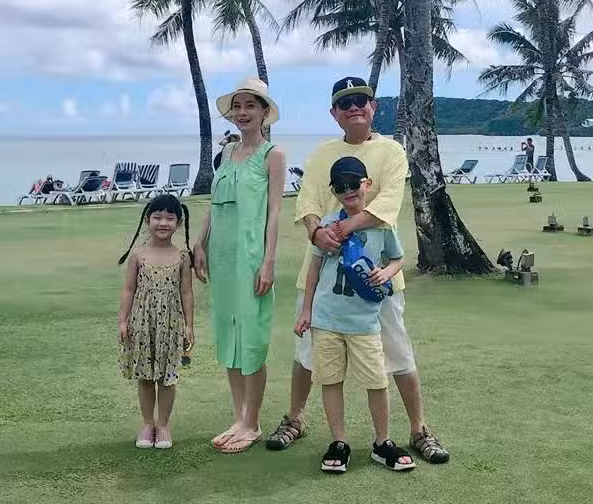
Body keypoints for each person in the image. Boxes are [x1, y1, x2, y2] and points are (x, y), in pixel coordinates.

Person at [265, 76, 451, 465]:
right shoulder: (321, 155)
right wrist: (317, 232)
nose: (354, 107)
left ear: (373, 107)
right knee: (307, 355)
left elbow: (387, 205)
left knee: (398, 354)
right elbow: (308, 203)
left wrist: (340, 228)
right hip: (323, 279)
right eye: (345, 103)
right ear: (334, 113)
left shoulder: (392, 151)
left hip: (378, 279)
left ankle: (418, 429)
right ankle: (295, 419)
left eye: (361, 100)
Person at [295, 156, 415, 473]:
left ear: (367, 184)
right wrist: (305, 311)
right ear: (334, 191)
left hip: (364, 321)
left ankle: (382, 442)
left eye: (353, 184)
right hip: (326, 320)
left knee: (377, 381)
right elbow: (314, 269)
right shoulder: (327, 226)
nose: (348, 191)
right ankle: (338, 442)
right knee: (330, 380)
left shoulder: (381, 225)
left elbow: (398, 259)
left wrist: (386, 273)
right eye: (340, 186)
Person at [192, 77, 286, 454]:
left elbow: (275, 212)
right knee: (228, 336)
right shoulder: (228, 152)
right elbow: (215, 205)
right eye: (238, 106)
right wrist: (200, 243)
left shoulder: (272, 155)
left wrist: (268, 261)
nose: (243, 112)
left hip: (251, 257)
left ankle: (253, 422)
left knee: (252, 338)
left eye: (251, 105)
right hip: (222, 257)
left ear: (264, 112)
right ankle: (239, 416)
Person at [118, 194, 194, 450]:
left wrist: (189, 325)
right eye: (157, 217)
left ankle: (163, 425)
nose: (163, 223)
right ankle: (147, 423)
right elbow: (128, 289)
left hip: (170, 325)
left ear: (178, 223)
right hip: (141, 323)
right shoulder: (138, 254)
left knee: (166, 377)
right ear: (147, 220)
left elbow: (186, 292)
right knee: (144, 375)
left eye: (169, 218)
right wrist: (123, 321)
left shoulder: (182, 256)